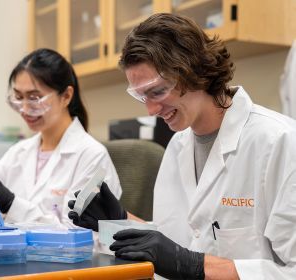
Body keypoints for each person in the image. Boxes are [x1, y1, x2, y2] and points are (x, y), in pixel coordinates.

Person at [68, 13, 296, 279]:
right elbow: (180, 242)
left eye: (158, 91)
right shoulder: (178, 145)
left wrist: (194, 266)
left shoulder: (280, 142)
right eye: (142, 96)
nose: (151, 109)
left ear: (193, 71)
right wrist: (117, 221)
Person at [0, 48, 122, 228]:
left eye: (35, 98)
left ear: (66, 96)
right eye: (19, 97)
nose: (25, 109)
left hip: (66, 267)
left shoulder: (92, 156)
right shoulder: (20, 152)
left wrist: (12, 204)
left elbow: (79, 236)